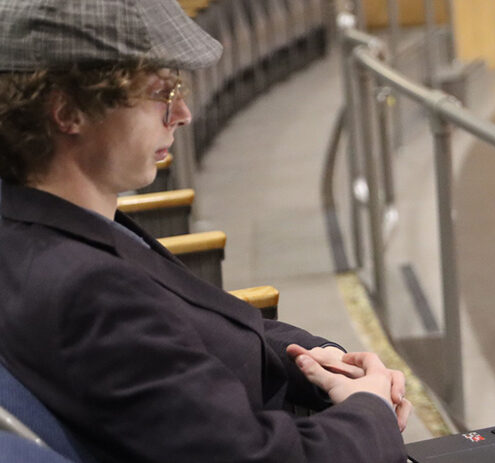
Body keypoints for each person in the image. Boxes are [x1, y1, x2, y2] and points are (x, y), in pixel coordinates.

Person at [0, 1, 409, 462]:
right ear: (68, 112)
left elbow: (196, 323)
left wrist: (320, 361)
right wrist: (370, 410)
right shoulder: (89, 291)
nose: (182, 114)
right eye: (161, 92)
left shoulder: (45, 223)